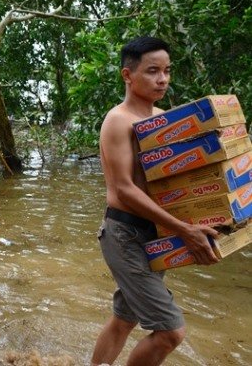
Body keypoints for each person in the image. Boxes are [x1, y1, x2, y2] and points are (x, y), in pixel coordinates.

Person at [91, 36, 219, 366]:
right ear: (127, 75)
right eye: (152, 71)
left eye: (166, 71)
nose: (162, 79)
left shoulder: (162, 120)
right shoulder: (118, 121)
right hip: (125, 234)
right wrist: (182, 230)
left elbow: (178, 183)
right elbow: (124, 190)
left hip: (155, 234)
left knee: (124, 320)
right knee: (171, 332)